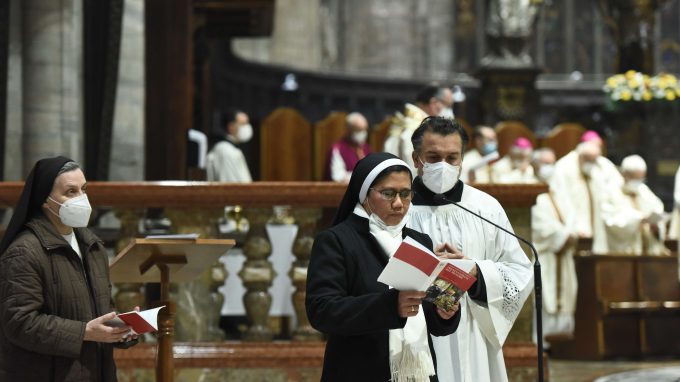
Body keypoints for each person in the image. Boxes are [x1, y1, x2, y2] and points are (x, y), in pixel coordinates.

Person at [306, 152, 461, 381]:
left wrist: (444, 313)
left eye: (406, 194)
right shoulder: (337, 241)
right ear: (364, 194)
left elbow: (428, 316)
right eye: (388, 193)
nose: (399, 204)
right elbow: (322, 311)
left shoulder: (419, 241)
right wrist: (391, 306)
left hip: (419, 373)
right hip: (359, 370)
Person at [409, 117, 534, 382]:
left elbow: (520, 270)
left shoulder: (485, 207)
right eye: (433, 157)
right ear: (416, 158)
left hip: (472, 331)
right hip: (414, 331)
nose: (443, 165)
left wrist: (476, 270)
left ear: (462, 160)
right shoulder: (400, 209)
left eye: (452, 158)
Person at [0, 156, 137, 381]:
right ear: (45, 200)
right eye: (70, 192)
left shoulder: (92, 246)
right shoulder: (23, 251)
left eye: (83, 189)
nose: (81, 198)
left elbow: (99, 309)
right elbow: (20, 323)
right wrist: (85, 332)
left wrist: (122, 326)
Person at [531, 157, 578, 347]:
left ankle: (562, 343)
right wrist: (564, 235)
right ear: (535, 164)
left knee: (566, 294)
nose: (548, 166)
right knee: (545, 296)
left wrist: (570, 232)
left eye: (551, 162)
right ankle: (541, 343)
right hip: (546, 255)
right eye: (544, 162)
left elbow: (572, 216)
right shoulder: (529, 191)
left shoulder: (558, 191)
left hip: (563, 255)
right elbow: (539, 225)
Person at [549, 137, 623, 253]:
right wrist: (574, 226)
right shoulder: (564, 168)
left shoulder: (601, 167)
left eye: (593, 160)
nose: (591, 163)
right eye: (587, 159)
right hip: (575, 232)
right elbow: (561, 200)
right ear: (579, 155)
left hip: (597, 229)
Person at [603, 155, 669, 256]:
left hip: (647, 253)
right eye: (635, 178)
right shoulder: (611, 192)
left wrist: (656, 226)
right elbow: (612, 222)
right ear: (624, 174)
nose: (638, 181)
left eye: (641, 178)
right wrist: (639, 219)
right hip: (624, 254)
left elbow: (657, 208)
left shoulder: (643, 191)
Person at [384, 86, 445, 174]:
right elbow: (410, 161)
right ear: (433, 102)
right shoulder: (417, 126)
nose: (442, 108)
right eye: (443, 103)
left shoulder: (406, 121)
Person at [206, 108, 253, 182]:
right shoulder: (225, 150)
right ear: (231, 127)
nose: (247, 127)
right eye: (243, 124)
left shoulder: (230, 149)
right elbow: (230, 187)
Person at [325, 112, 372, 183]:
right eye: (358, 130)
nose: (363, 133)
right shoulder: (337, 148)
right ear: (349, 130)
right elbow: (337, 177)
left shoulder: (366, 148)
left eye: (365, 130)